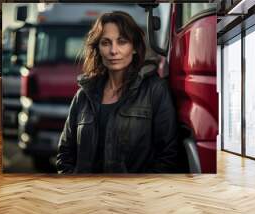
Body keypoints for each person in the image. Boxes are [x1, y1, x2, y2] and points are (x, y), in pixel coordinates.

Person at [56, 11, 180, 173]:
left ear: (134, 47)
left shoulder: (154, 90)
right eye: (106, 43)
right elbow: (65, 154)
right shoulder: (84, 95)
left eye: (122, 42)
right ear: (98, 48)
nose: (113, 51)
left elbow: (168, 156)